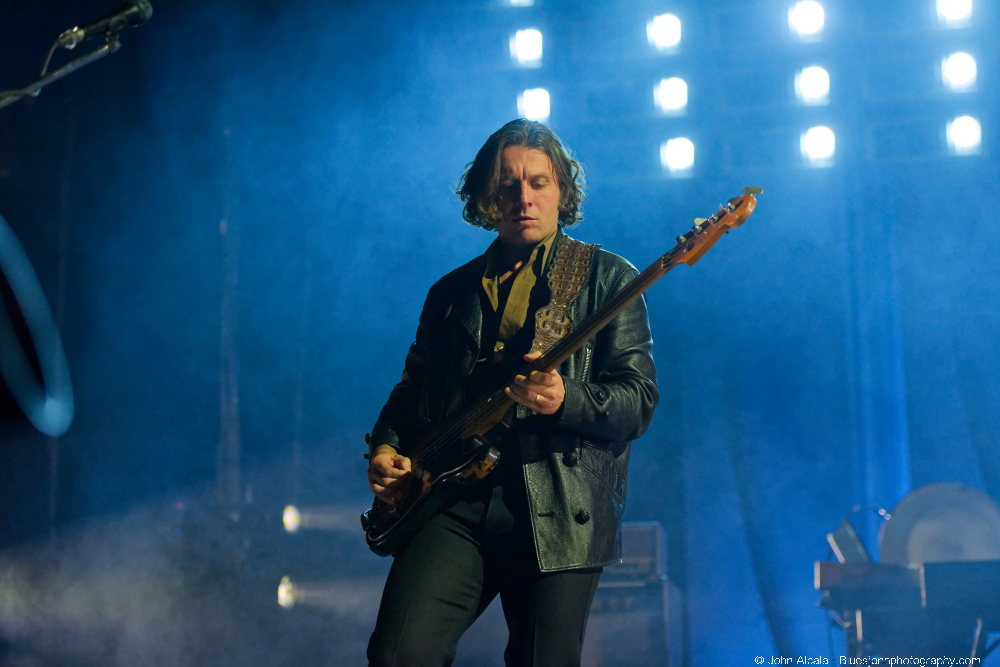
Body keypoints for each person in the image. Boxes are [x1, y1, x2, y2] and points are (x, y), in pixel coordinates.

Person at [365, 119, 659, 667]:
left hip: (558, 506)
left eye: (539, 182)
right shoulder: (450, 293)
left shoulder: (608, 278)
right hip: (454, 501)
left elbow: (638, 401)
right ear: (486, 197)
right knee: (399, 653)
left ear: (561, 191)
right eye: (508, 185)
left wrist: (565, 398)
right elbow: (413, 392)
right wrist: (386, 447)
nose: (524, 198)